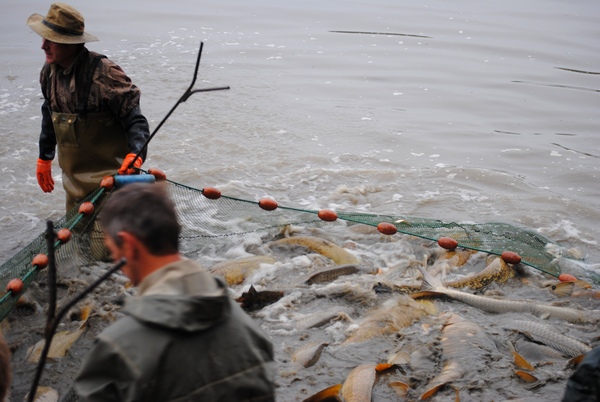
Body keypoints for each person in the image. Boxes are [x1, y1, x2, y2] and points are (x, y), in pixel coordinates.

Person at [67, 182, 276, 401]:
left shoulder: (119, 350)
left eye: (112, 250)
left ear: (128, 245)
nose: (115, 262)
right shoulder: (253, 335)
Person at [27, 3, 151, 212]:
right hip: (75, 189)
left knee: (106, 243)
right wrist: (44, 156)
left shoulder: (105, 74)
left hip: (114, 186)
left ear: (71, 43)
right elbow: (49, 114)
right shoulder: (49, 73)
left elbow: (135, 119)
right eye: (43, 37)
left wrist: (137, 153)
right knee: (75, 237)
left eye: (51, 40)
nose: (43, 45)